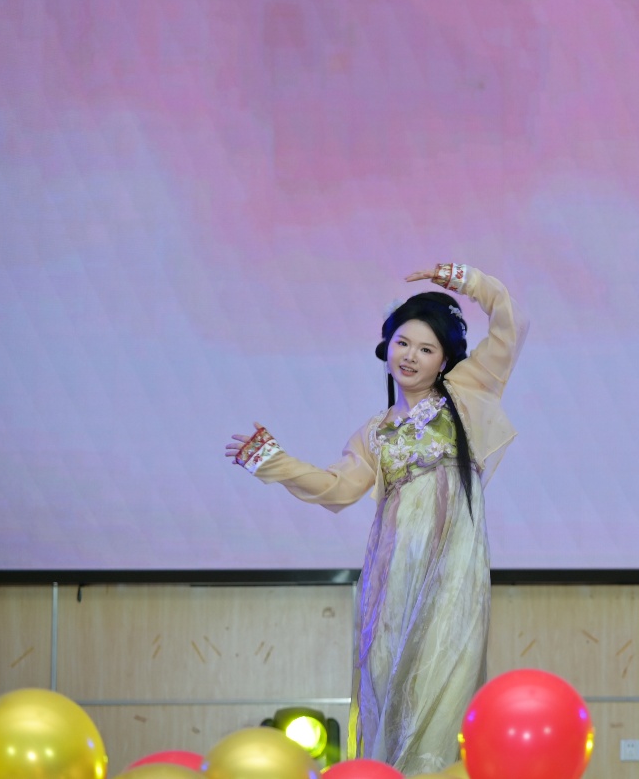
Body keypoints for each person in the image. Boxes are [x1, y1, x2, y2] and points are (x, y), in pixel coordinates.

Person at [225, 262, 528, 774]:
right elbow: (338, 488)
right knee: (386, 676)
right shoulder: (375, 433)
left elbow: (510, 323)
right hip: (393, 573)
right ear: (387, 348)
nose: (410, 356)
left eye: (426, 349)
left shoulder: (465, 395)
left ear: (444, 361)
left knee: (440, 679)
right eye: (402, 343)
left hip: (451, 570)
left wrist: (468, 281)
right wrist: (277, 463)